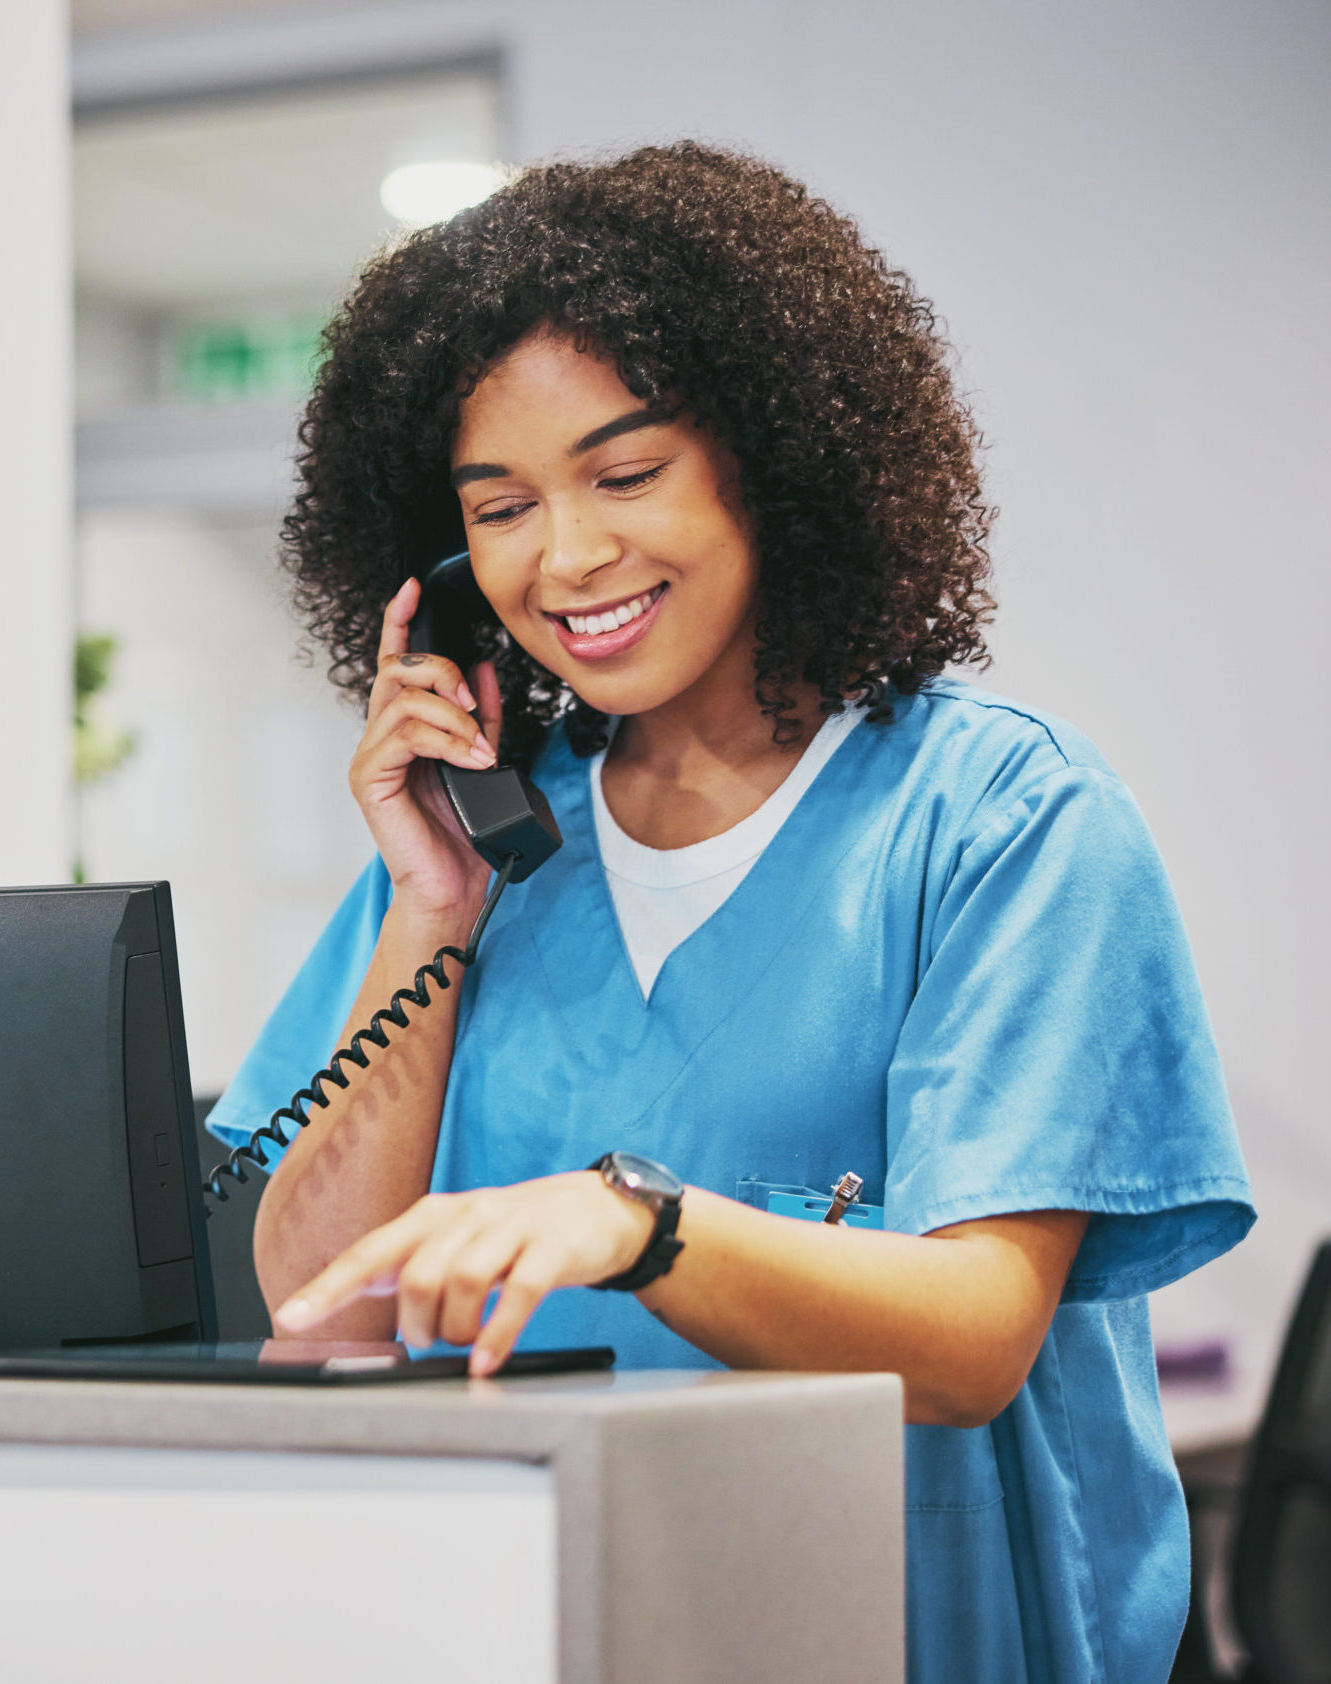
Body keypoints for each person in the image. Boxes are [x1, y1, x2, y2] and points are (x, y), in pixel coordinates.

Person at [205, 143, 1252, 1682]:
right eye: (500, 508)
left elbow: (973, 1337)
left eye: (626, 476)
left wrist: (639, 1224)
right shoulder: (480, 850)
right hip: (551, 1624)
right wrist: (432, 903)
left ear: (771, 459)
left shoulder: (1002, 820)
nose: (567, 556)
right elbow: (322, 1310)